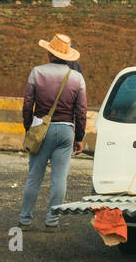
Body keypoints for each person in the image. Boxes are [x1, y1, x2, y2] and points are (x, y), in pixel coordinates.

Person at [20, 33, 87, 230]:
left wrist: (29, 129)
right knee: (59, 178)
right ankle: (52, 221)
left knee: (34, 176)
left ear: (49, 54)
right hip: (66, 130)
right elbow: (81, 111)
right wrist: (79, 137)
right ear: (67, 56)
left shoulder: (37, 72)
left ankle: (25, 220)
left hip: (41, 128)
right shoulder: (77, 78)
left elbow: (27, 105)